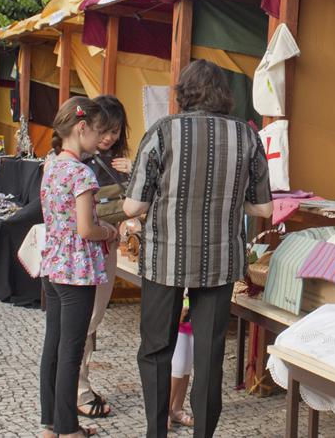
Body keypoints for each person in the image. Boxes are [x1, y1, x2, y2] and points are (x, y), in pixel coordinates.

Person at [123, 60, 273, 438]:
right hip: (220, 261)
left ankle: (156, 433)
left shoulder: (163, 132)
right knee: (209, 354)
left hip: (165, 258)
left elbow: (133, 207)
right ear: (223, 94)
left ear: (183, 92)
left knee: (156, 349)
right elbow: (263, 208)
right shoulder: (247, 136)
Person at [39, 97, 119, 438]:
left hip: (52, 265)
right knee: (71, 349)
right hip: (77, 270)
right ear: (82, 127)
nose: (99, 139)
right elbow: (87, 228)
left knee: (53, 347)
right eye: (98, 131)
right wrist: (110, 231)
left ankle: (51, 425)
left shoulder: (52, 165)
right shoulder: (80, 171)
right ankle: (69, 430)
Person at [76, 94, 132, 420]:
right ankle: (79, 389)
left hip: (106, 249)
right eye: (104, 129)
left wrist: (136, 171)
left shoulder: (113, 162)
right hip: (89, 249)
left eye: (116, 130)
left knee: (91, 318)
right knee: (84, 320)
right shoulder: (80, 162)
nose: (109, 136)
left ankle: (77, 384)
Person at [168, 296, 194, 431]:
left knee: (187, 365)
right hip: (179, 313)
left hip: (192, 316)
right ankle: (166, 410)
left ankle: (177, 409)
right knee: (178, 365)